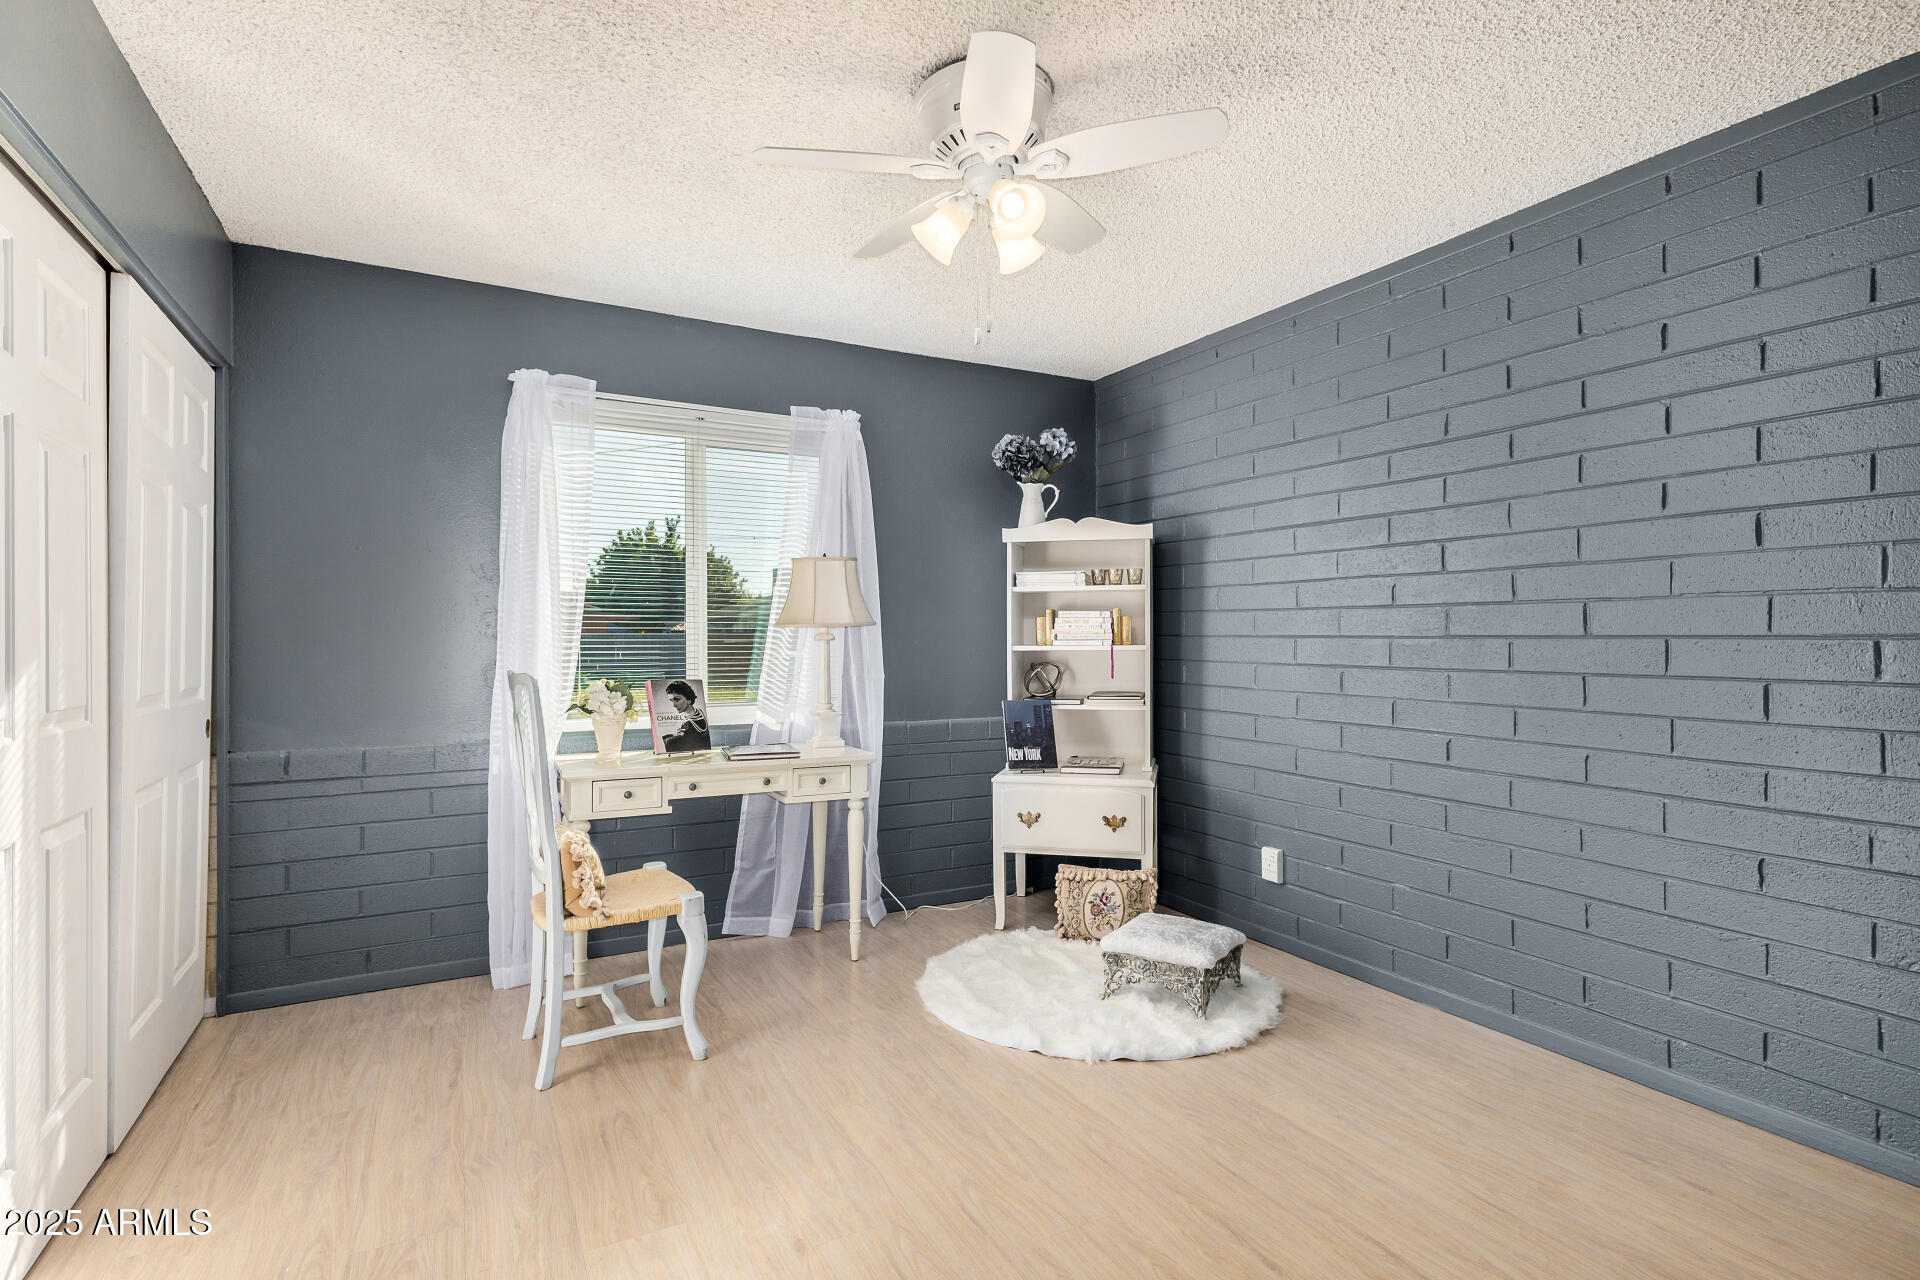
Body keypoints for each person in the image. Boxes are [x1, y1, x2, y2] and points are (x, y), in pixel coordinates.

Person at [659, 679, 710, 753]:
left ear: (688, 699)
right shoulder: (699, 712)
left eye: (677, 699)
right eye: (671, 701)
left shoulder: (689, 725)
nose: (674, 705)